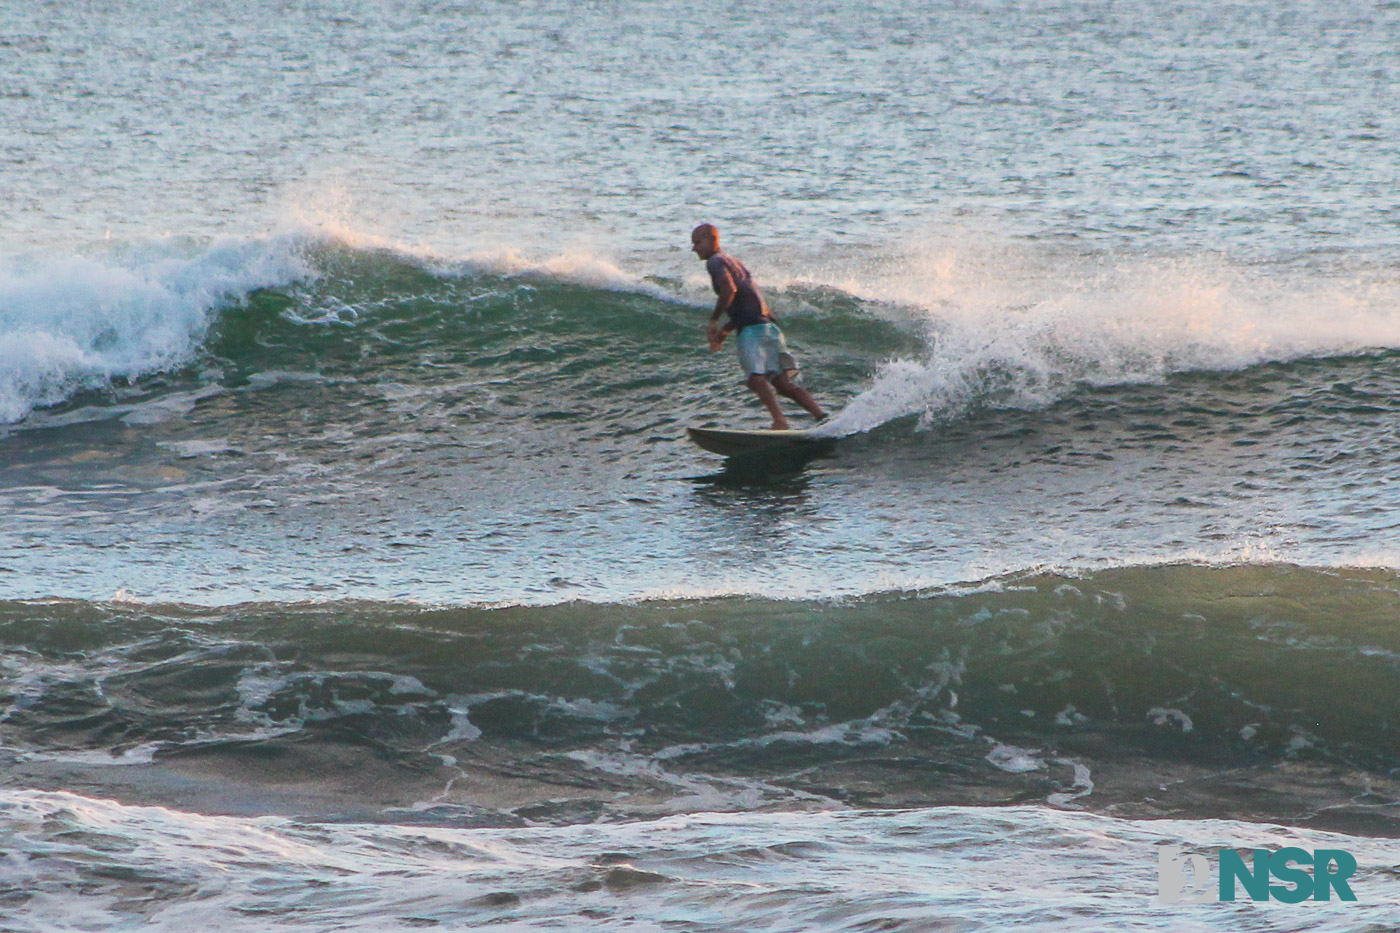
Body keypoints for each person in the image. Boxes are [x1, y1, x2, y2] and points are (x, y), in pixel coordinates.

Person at [691, 223, 826, 430]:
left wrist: (714, 320)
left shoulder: (715, 262)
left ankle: (780, 422)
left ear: (712, 240)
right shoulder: (736, 262)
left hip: (752, 331)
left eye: (698, 242)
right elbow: (749, 300)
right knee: (782, 384)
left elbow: (729, 290)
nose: (694, 248)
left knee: (756, 380)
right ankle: (821, 416)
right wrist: (726, 330)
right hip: (769, 327)